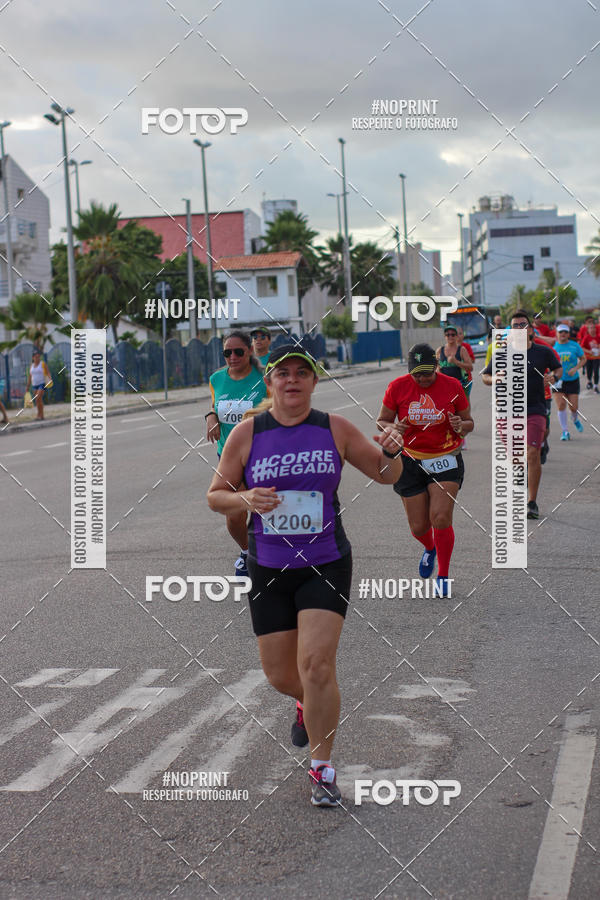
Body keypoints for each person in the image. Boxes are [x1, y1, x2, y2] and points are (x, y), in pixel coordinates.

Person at [207, 345, 403, 807]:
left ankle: (321, 769)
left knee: (316, 666)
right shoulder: (248, 433)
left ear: (314, 382)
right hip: (269, 566)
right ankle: (308, 703)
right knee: (280, 675)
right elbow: (216, 496)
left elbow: (386, 475)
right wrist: (245, 499)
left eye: (302, 373)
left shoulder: (334, 428)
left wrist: (395, 452)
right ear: (270, 382)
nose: (292, 380)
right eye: (283, 373)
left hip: (325, 561)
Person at [376, 343, 474, 597]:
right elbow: (382, 420)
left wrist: (459, 424)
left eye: (427, 373)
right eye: (416, 374)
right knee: (419, 527)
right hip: (409, 460)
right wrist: (392, 428)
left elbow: (469, 422)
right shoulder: (397, 387)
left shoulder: (452, 386)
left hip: (445, 456)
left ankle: (443, 574)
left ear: (437, 367)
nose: (422, 378)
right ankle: (429, 547)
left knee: (440, 517)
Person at [482, 310, 562, 520]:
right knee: (514, 457)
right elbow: (485, 377)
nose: (519, 328)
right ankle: (519, 470)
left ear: (530, 329)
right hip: (507, 411)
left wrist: (552, 376)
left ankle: (531, 502)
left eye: (522, 325)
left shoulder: (543, 352)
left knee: (532, 453)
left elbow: (558, 369)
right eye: (515, 325)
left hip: (534, 409)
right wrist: (495, 378)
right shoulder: (502, 354)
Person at [206, 331, 268, 576]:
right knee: (234, 515)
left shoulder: (265, 380)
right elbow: (214, 403)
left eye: (238, 351)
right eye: (227, 352)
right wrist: (211, 415)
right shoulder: (216, 378)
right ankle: (246, 551)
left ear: (250, 351)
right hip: (229, 457)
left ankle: (269, 557)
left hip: (263, 455)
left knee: (264, 508)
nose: (232, 357)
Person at [553, 323, 586, 440]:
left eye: (565, 332)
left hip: (572, 380)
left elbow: (583, 359)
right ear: (556, 333)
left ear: (568, 334)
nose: (563, 334)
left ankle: (575, 419)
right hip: (558, 380)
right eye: (560, 332)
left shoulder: (574, 345)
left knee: (573, 407)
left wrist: (576, 368)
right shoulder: (553, 346)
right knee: (561, 405)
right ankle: (565, 432)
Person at [25, 350, 51, 421]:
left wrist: (50, 379)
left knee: (37, 399)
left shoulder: (42, 364)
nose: (38, 358)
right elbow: (30, 377)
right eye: (36, 357)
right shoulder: (32, 366)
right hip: (34, 385)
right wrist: (28, 386)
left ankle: (39, 415)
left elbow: (48, 372)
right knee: (39, 401)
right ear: (33, 358)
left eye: (39, 357)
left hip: (42, 384)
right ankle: (41, 415)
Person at [579, 319, 600, 393]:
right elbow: (582, 347)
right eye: (591, 328)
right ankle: (589, 382)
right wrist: (589, 351)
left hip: (597, 358)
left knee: (596, 371)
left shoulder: (598, 337)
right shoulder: (586, 337)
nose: (592, 329)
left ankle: (596, 386)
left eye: (594, 328)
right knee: (589, 371)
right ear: (588, 330)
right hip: (588, 358)